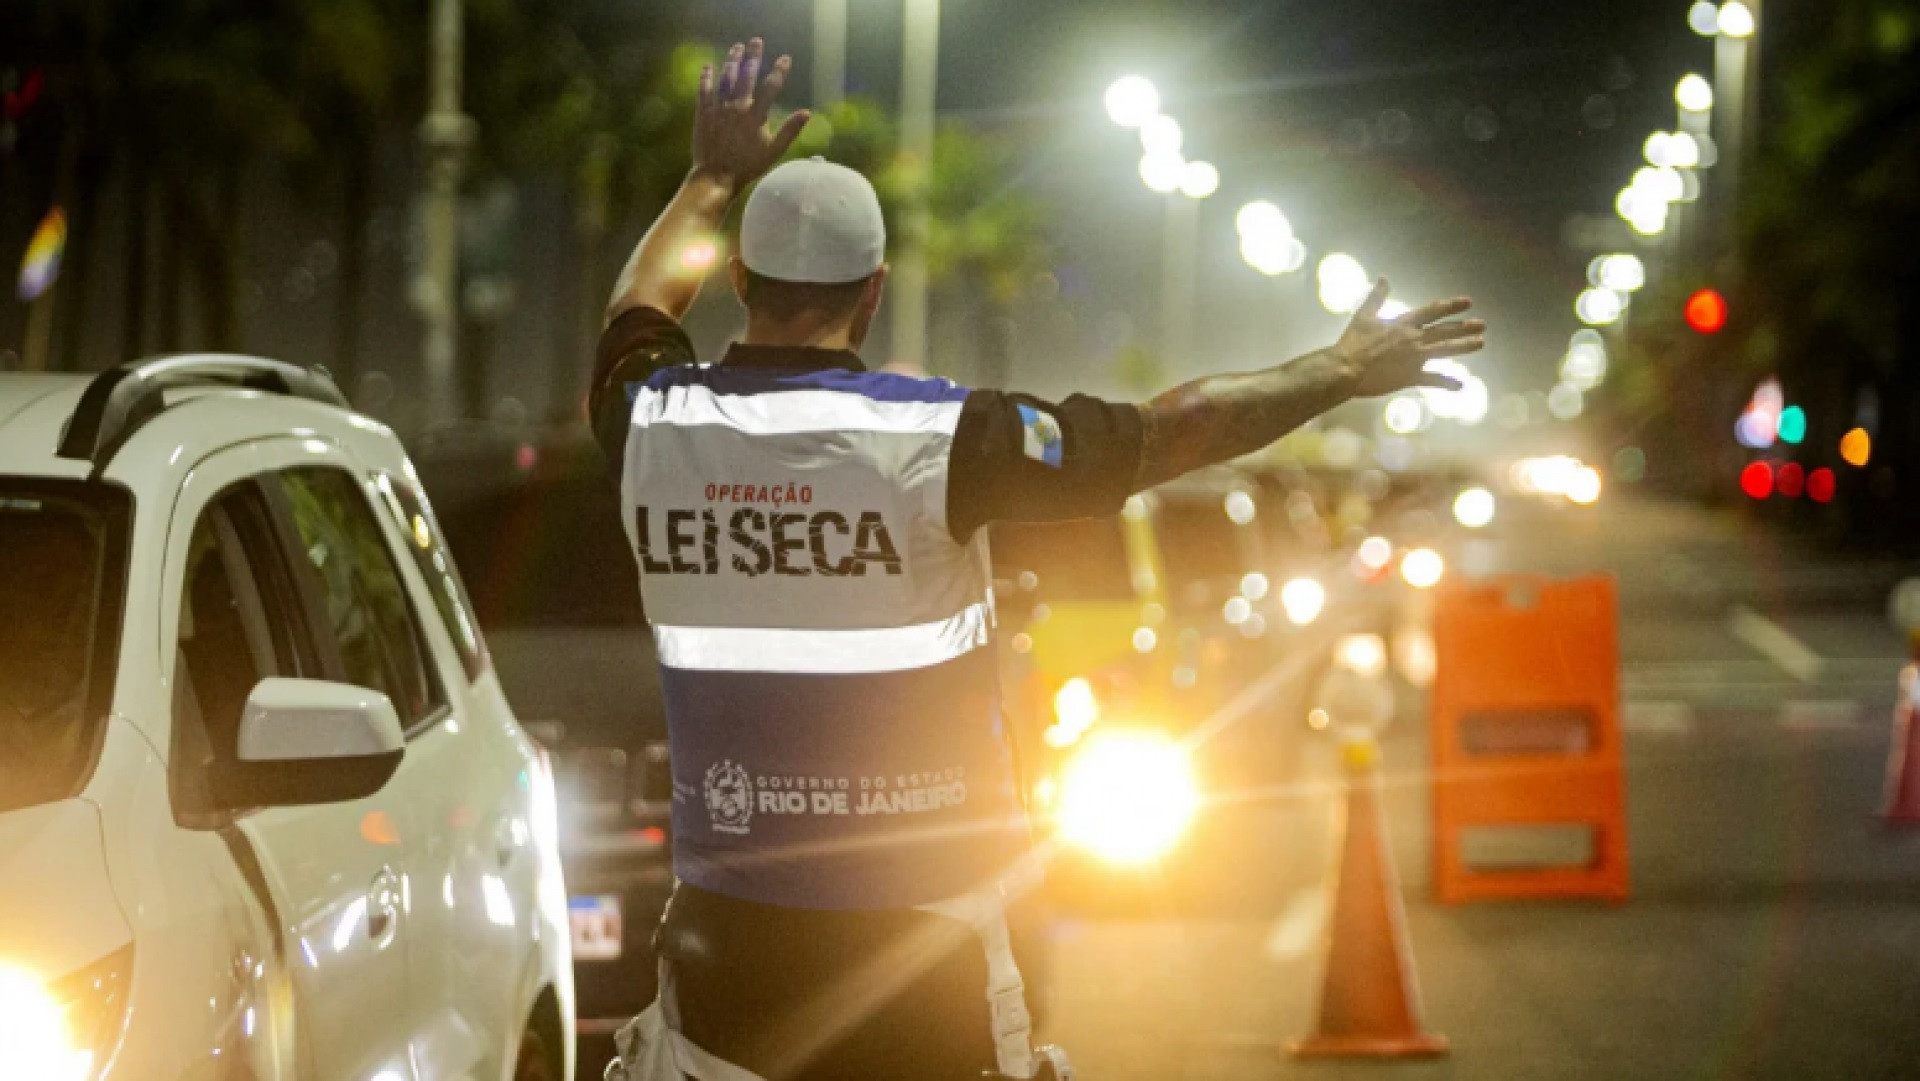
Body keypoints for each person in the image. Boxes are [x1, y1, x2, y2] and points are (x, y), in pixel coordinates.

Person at [590, 37, 1485, 1081]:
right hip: (920, 940)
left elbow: (635, 313)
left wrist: (708, 180)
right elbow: (1167, 432)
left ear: (741, 279)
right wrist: (1338, 368)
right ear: (873, 292)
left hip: (725, 936)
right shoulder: (941, 440)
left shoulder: (656, 423)